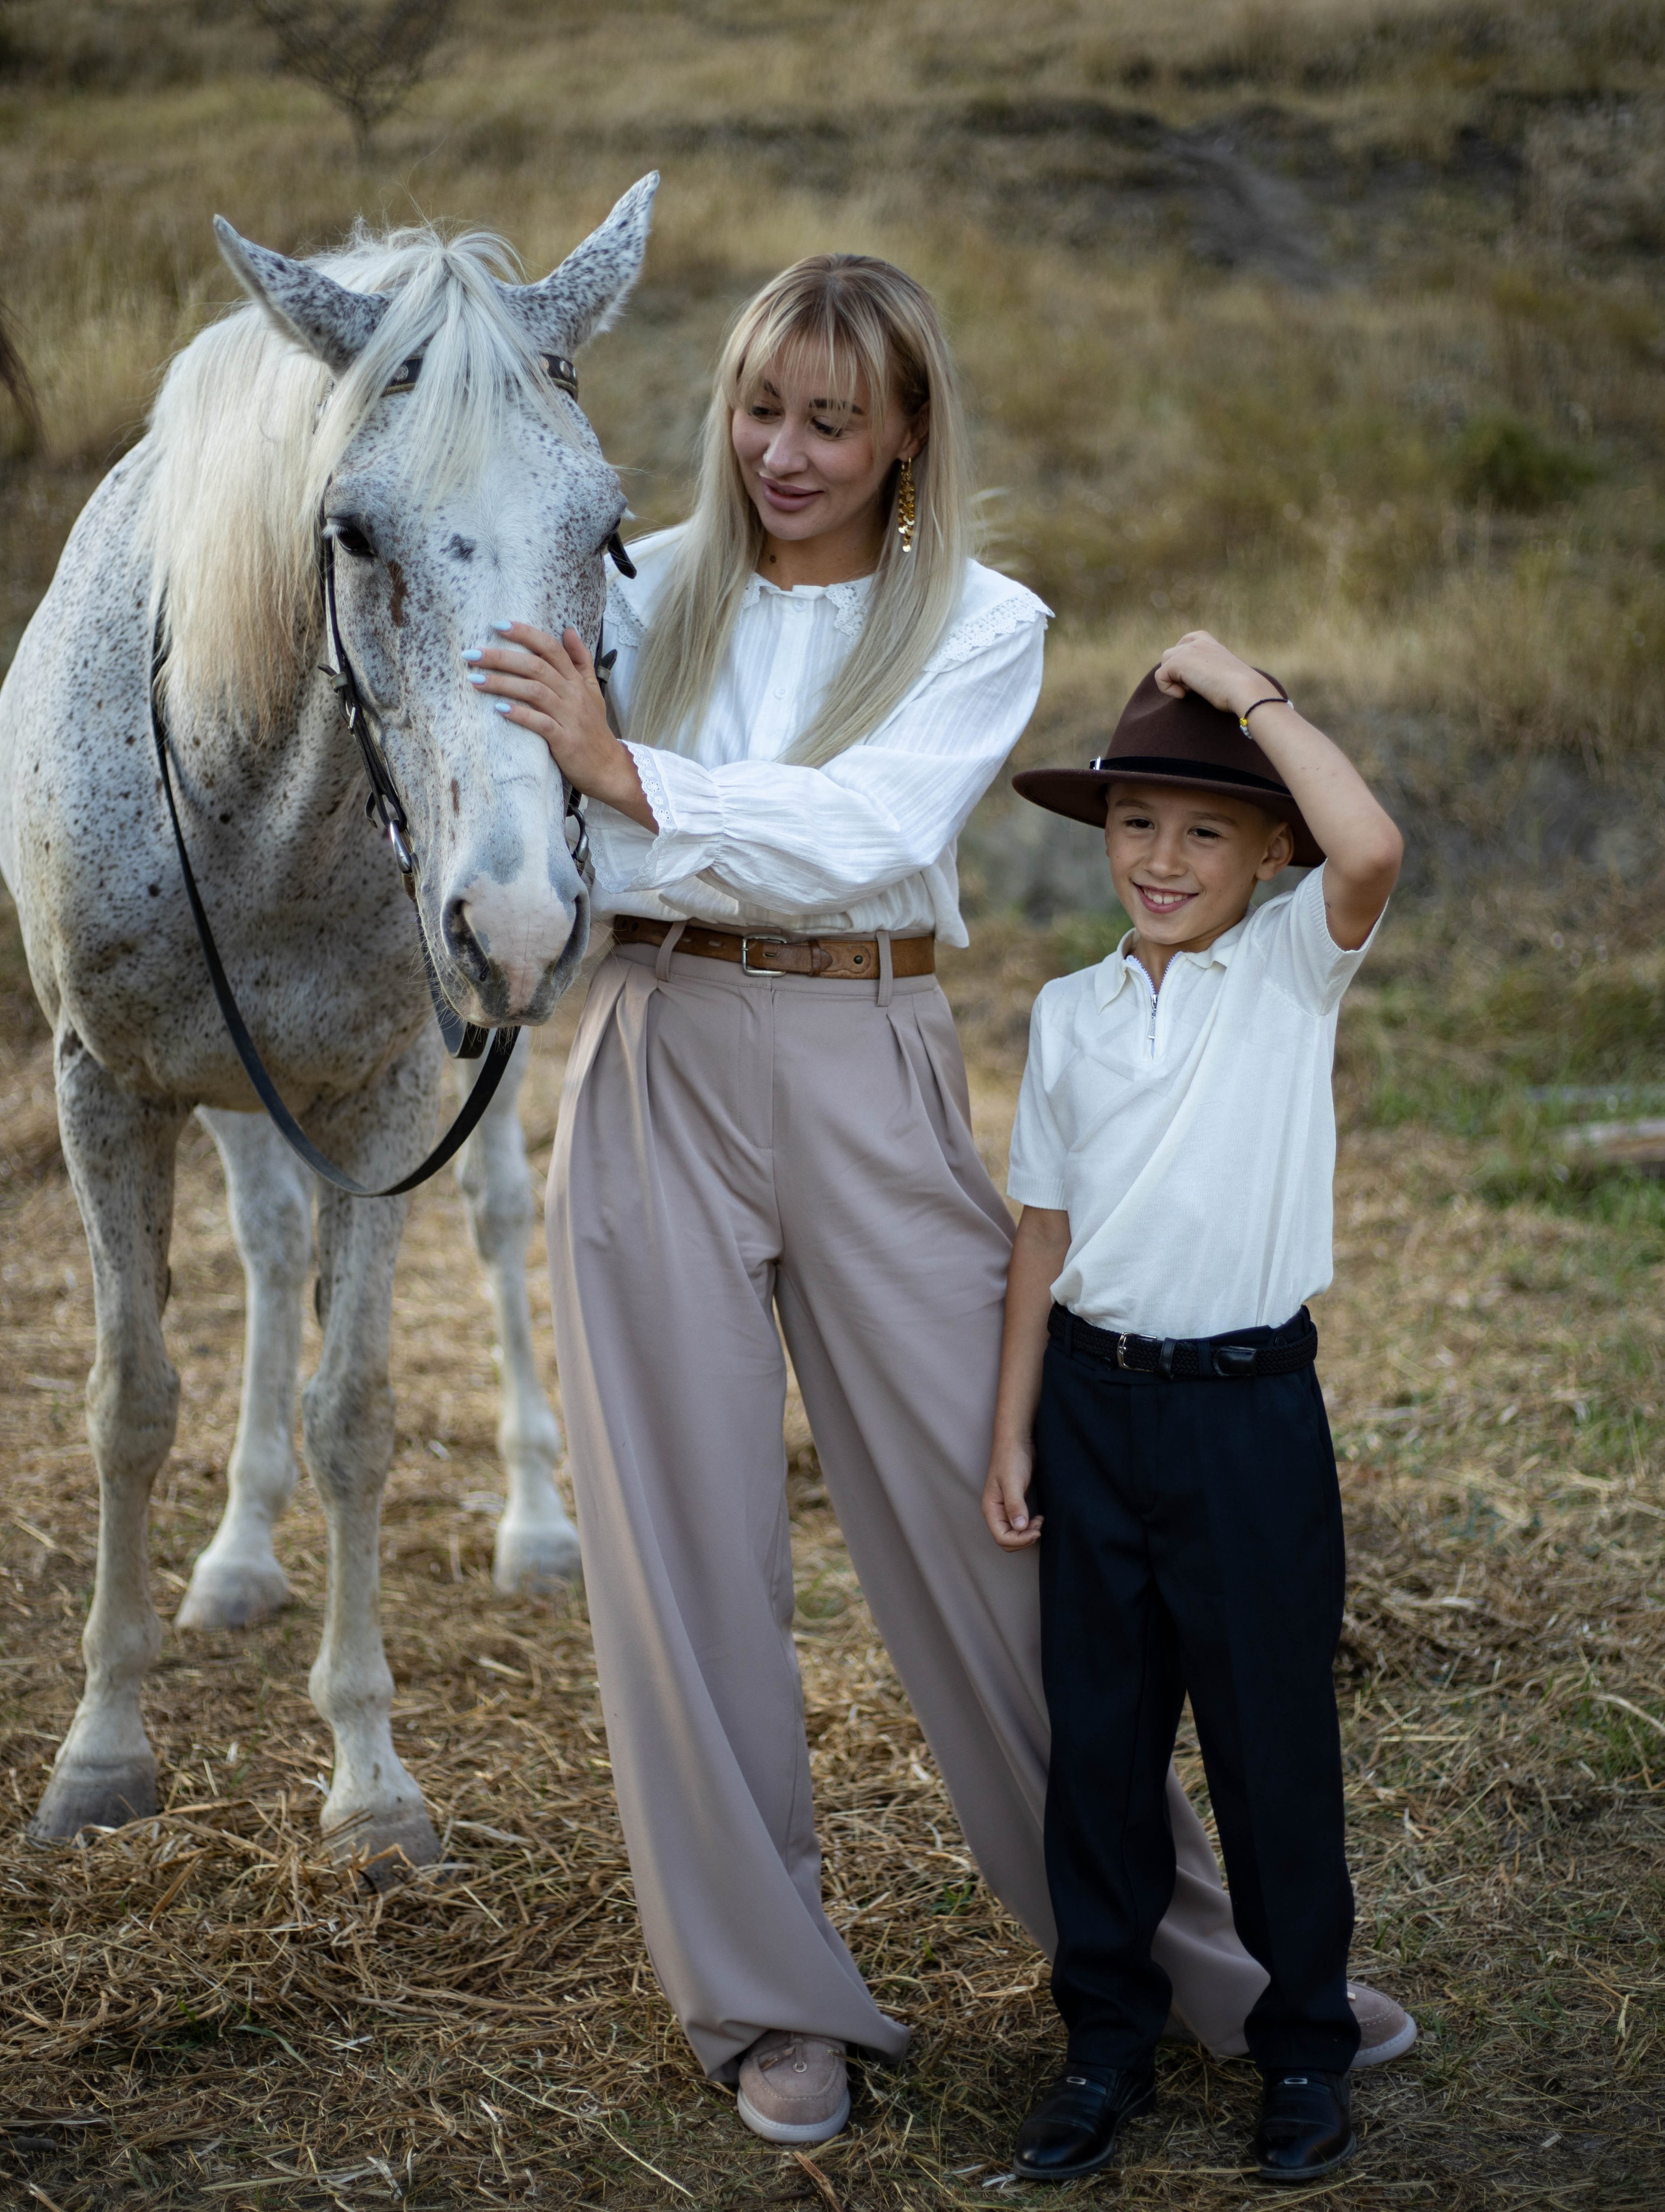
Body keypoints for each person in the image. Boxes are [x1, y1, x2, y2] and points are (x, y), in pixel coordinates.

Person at [462, 260, 1407, 2148]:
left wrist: (625, 769)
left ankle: (1197, 1963)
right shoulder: (626, 592)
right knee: (683, 1540)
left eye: (830, 419)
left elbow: (878, 836)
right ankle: (771, 2001)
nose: (784, 452)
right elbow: (497, 785)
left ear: (905, 438)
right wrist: (570, 776)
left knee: (1012, 1532)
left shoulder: (977, 621)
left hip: (864, 1048)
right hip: (650, 1043)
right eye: (758, 409)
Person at [982, 637, 1407, 2185]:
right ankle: (1105, 2044)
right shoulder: (1067, 1010)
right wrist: (1012, 1428)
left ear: (1267, 855)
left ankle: (1302, 2048)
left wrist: (1251, 695)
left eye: (1204, 830)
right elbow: (1041, 1233)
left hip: (1245, 1422)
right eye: (1133, 825)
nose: (1160, 861)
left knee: (1266, 1742)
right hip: (1093, 1415)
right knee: (1096, 1750)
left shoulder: (1293, 966)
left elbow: (1371, 844)